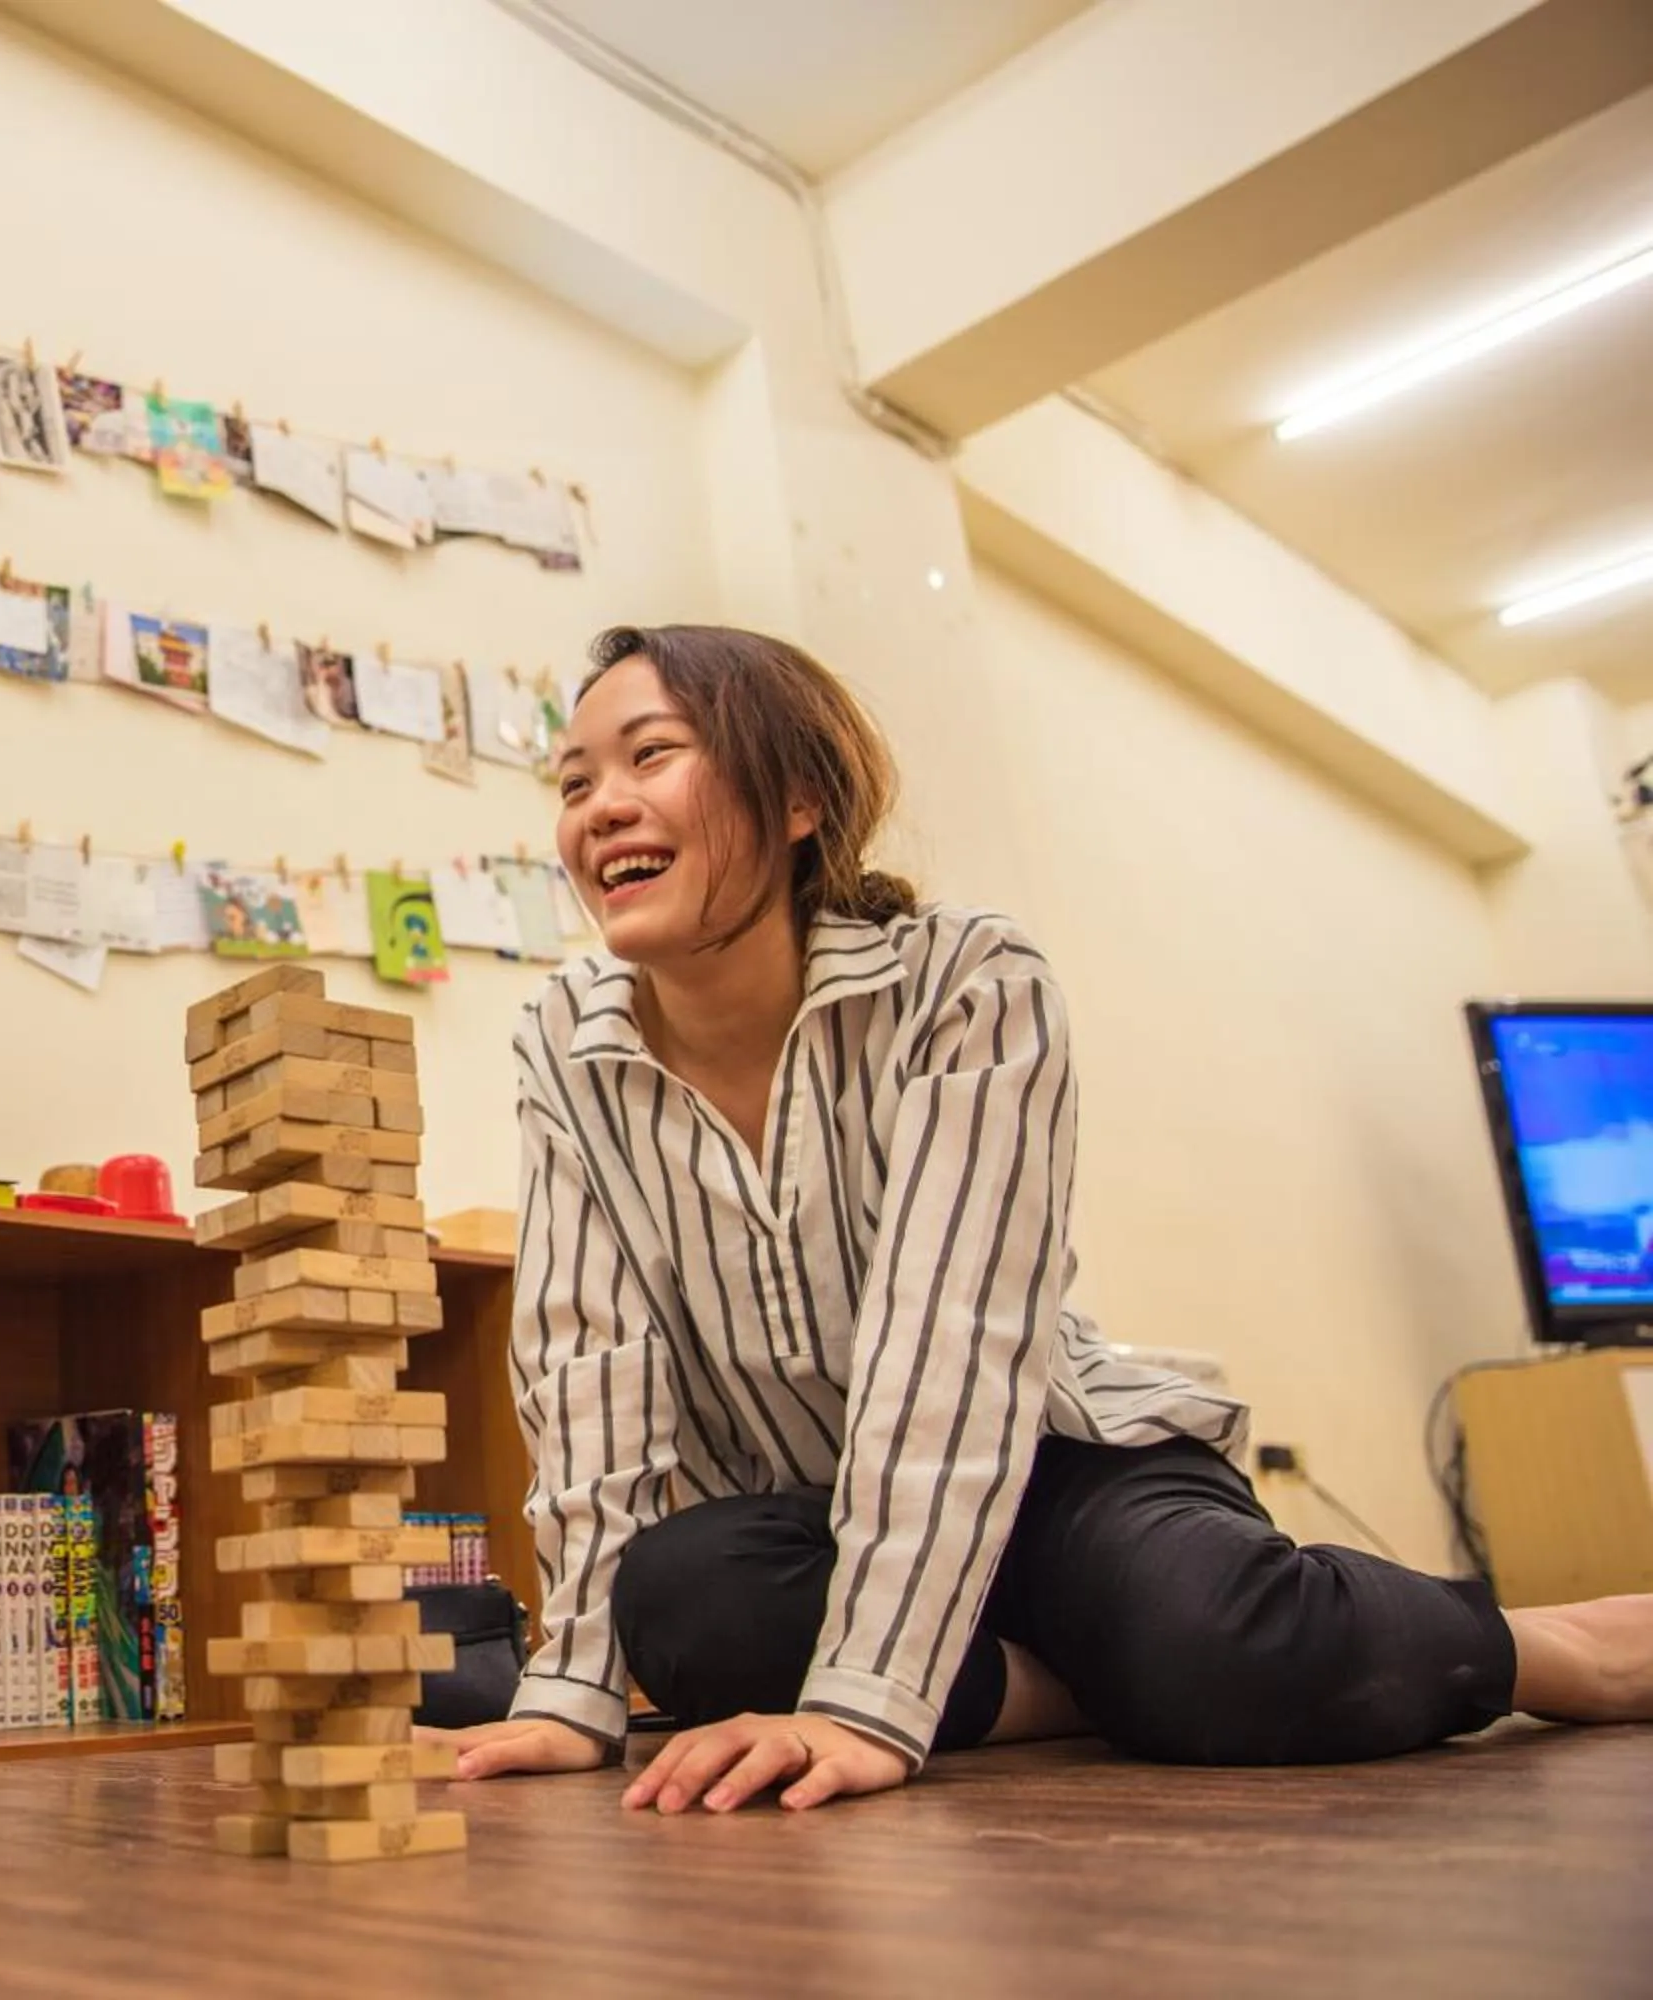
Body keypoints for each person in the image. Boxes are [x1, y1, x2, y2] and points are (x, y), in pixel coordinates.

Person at [428, 623, 1653, 1812]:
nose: (601, 807)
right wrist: (573, 1688)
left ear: (798, 794)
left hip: (1053, 1469)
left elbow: (949, 1345)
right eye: (576, 779)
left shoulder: (967, 981)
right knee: (691, 1604)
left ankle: (1554, 1645)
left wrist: (864, 1704)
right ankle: (1093, 1683)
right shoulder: (566, 1040)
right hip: (820, 1513)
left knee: (1208, 1642)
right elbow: (586, 1364)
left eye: (652, 755)